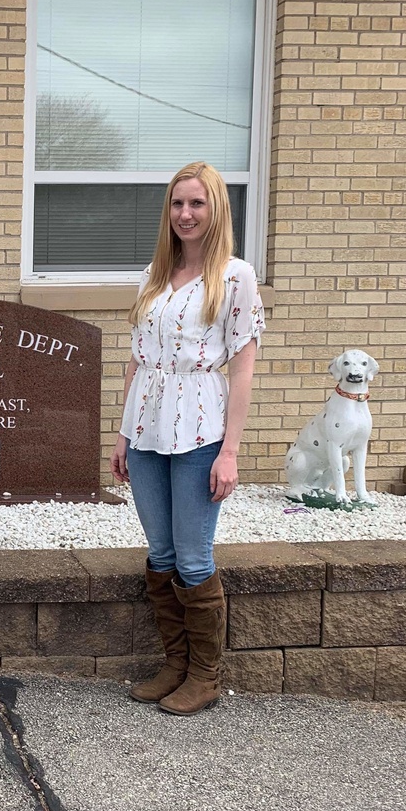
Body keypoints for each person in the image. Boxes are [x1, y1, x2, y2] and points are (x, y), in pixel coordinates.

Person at [110, 162, 265, 716]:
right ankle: (175, 664)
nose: (185, 214)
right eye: (177, 204)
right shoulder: (157, 271)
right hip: (148, 427)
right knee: (160, 554)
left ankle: (205, 675)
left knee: (193, 559)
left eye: (196, 203)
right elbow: (135, 358)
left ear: (215, 208)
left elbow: (243, 368)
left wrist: (230, 451)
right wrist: (124, 433)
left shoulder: (235, 277)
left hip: (201, 427)